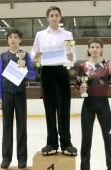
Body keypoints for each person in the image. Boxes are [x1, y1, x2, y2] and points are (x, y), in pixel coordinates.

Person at [75, 38, 111, 170]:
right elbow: (77, 85)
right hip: (88, 104)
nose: (95, 49)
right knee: (86, 139)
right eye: (92, 47)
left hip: (103, 104)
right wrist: (80, 89)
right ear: (88, 49)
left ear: (102, 49)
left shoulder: (109, 65)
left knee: (108, 139)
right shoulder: (83, 66)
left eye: (97, 47)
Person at [31, 6, 77, 156]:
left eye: (57, 15)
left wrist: (71, 60)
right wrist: (36, 55)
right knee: (50, 109)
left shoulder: (67, 34)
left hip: (62, 71)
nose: (54, 17)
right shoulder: (40, 35)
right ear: (47, 18)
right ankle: (51, 143)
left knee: (64, 108)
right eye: (52, 15)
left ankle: (66, 143)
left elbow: (72, 55)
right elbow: (33, 54)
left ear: (60, 17)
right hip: (46, 72)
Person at [0, 28, 36, 170]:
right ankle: (6, 159)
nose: (13, 39)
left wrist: (24, 69)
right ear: (8, 40)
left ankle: (22, 159)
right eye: (10, 37)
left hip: (20, 94)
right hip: (6, 94)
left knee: (21, 127)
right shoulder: (2, 56)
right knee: (7, 127)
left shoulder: (25, 55)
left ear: (20, 40)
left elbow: (33, 75)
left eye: (15, 37)